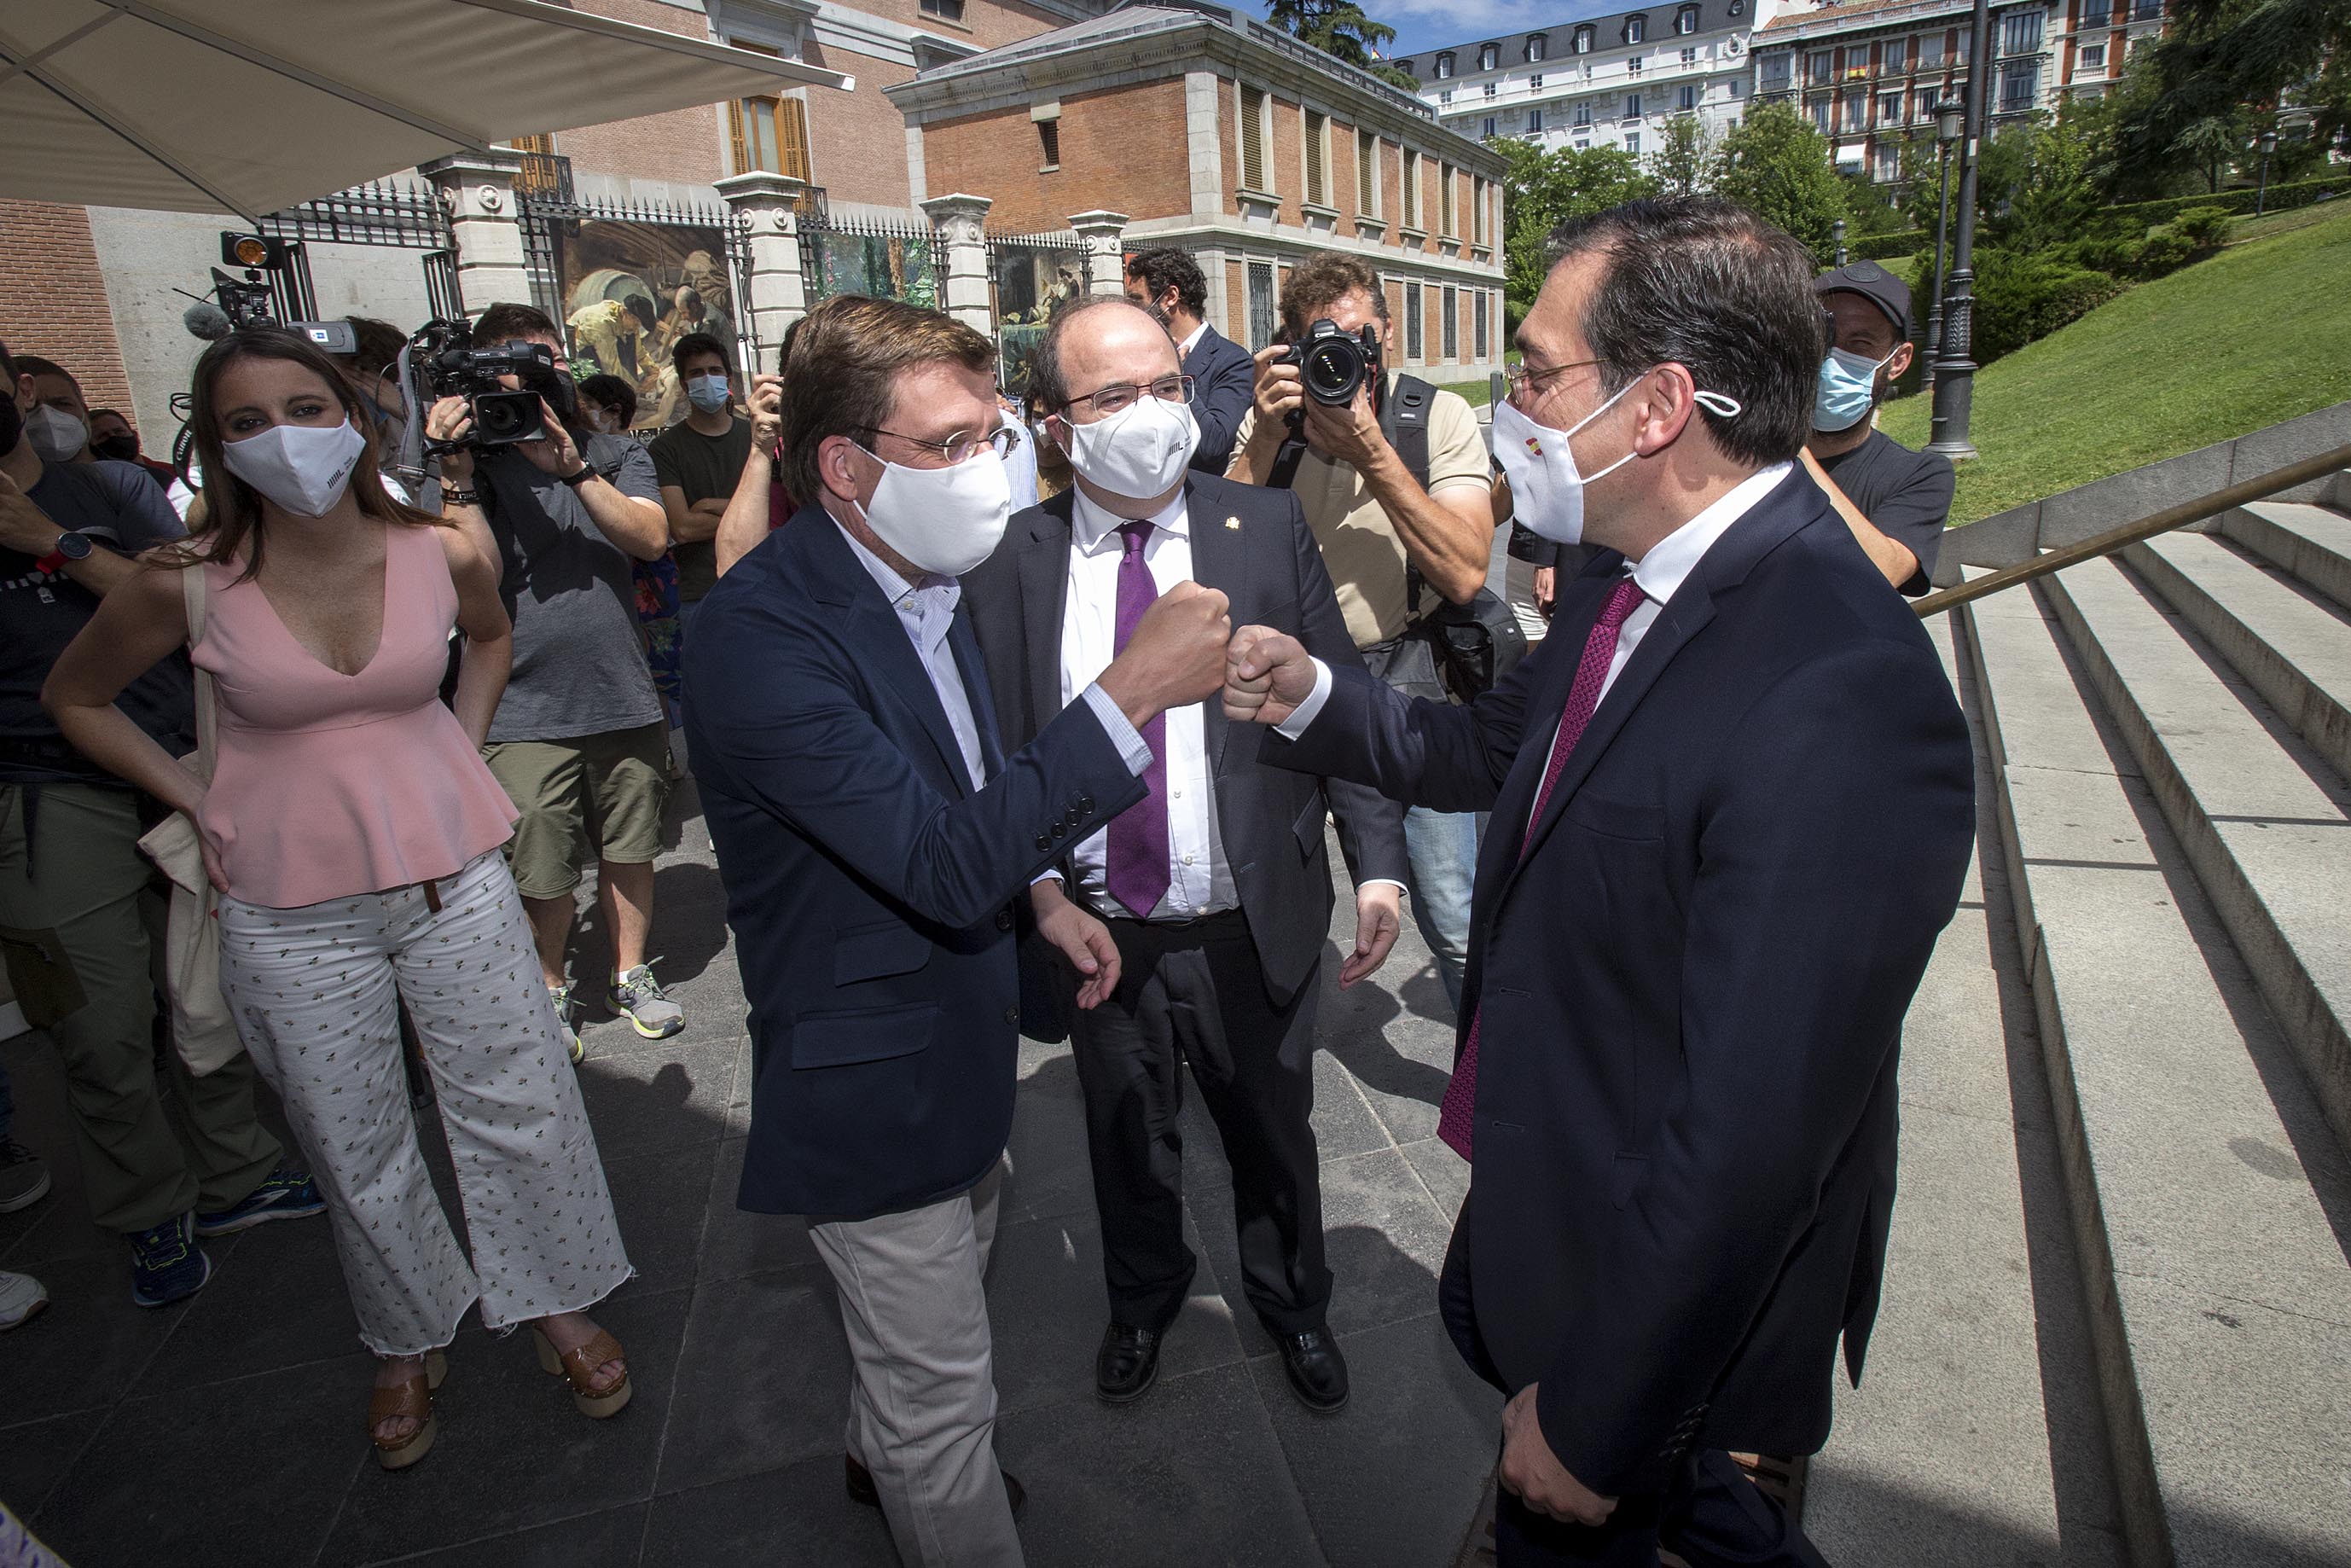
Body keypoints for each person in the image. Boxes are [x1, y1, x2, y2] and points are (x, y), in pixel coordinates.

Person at [1222, 196, 1977, 1565]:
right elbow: (1478, 750)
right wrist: (1309, 693)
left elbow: (1752, 1132)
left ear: (1659, 406)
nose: (1508, 405)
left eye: (1535, 371)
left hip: (1650, 1311)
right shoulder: (1622, 576)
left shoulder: (1844, 688)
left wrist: (1600, 1416)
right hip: (1561, 1200)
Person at [684, 293, 1233, 1567]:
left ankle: (878, 1452)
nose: (987, 466)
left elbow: (965, 776)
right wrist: (1132, 690)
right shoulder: (756, 637)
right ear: (843, 465)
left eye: (992, 435)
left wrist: (1041, 895)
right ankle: (920, 1472)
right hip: (871, 1073)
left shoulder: (924, 574)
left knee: (941, 1293)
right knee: (943, 1403)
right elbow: (935, 862)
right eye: (947, 443)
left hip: (960, 1033)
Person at [45, 326, 633, 1472]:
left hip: (451, 878)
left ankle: (556, 1300)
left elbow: (491, 640)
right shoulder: (185, 580)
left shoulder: (438, 549)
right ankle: (406, 1333)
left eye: (305, 409)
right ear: (217, 448)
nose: (283, 437)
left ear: (356, 419)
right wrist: (197, 795)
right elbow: (79, 697)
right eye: (246, 422)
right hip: (286, 908)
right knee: (350, 1134)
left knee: (521, 1100)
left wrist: (458, 750)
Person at [963, 297, 1408, 1413]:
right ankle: (1141, 1299)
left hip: (1252, 916)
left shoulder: (1263, 525)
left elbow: (1340, 703)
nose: (1153, 413)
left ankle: (1294, 1303)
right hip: (1098, 932)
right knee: (1127, 1138)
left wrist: (1379, 862)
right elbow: (999, 753)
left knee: (1273, 1135)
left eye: (1166, 385)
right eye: (1114, 395)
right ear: (1055, 424)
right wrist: (1041, 889)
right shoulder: (1008, 562)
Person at [0, 336, 320, 1308]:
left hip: (185, 761)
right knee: (98, 1025)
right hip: (49, 789)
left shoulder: (104, 489)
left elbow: (197, 597)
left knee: (210, 987)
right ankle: (149, 1208)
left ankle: (237, 1172)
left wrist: (51, 541)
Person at [1225, 254, 1495, 1013]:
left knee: (1453, 912)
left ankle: (1485, 1058)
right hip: (1290, 683)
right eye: (1323, 343)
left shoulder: (1433, 418)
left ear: (1386, 334)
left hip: (1403, 679)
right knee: (1266, 894)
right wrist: (1263, 441)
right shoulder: (1273, 420)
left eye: (1358, 339)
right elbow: (1212, 549)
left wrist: (1369, 448)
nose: (1343, 358)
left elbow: (1465, 573)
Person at [424, 303, 683, 1049]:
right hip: (521, 705)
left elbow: (651, 537)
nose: (544, 375)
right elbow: (473, 578)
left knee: (632, 845)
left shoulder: (611, 450)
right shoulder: (466, 465)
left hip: (621, 690)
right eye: (519, 363)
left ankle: (630, 973)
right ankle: (549, 983)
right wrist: (456, 479)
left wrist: (573, 469)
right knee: (540, 863)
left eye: (554, 359)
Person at [1803, 262, 1956, 596]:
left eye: (1860, 344)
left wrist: (1790, 449)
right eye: (1821, 337)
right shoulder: (1740, 450)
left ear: (1898, 361)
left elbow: (1883, 571)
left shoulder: (1920, 475)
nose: (1831, 359)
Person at [647, 332, 751, 635]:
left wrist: (709, 505)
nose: (707, 379)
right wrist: (749, 517)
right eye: (697, 373)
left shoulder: (757, 438)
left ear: (728, 379)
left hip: (760, 582)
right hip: (700, 593)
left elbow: (777, 515)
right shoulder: (665, 449)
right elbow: (683, 528)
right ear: (684, 385)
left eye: (714, 371)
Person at [1122, 247, 1255, 476]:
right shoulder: (1137, 359)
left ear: (1170, 297)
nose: (1131, 311)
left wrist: (1174, 377)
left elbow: (1213, 445)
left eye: (1137, 301)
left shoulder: (1232, 361)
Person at [13, 357, 95, 465]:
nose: (46, 416)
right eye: (29, 407)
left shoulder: (116, 473)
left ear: (85, 411)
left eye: (62, 404)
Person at [87, 408, 179, 491]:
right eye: (102, 436)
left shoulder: (174, 473)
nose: (113, 436)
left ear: (135, 436)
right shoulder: (99, 487)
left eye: (119, 431)